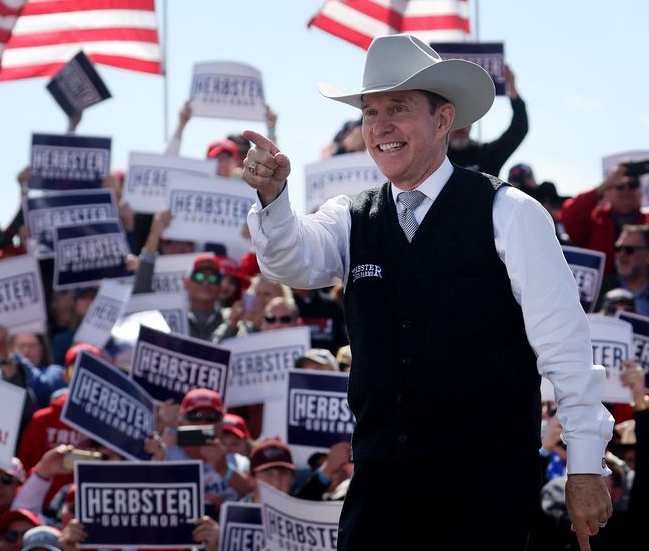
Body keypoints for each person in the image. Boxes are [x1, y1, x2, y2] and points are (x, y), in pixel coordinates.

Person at [239, 34, 612, 550]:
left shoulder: (511, 212)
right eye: (370, 112)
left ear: (443, 120)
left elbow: (565, 347)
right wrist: (273, 196)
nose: (380, 127)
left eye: (398, 108)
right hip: (381, 479)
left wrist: (586, 465)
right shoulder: (351, 216)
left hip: (484, 483)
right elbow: (289, 260)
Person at [560, 161, 649, 279]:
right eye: (619, 186)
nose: (626, 190)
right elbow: (568, 217)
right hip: (601, 289)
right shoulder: (595, 222)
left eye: (633, 185)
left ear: (640, 192)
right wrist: (603, 186)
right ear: (607, 192)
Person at [445, 63, 528, 177]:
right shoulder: (435, 157)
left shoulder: (486, 154)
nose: (461, 127)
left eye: (466, 119)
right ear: (446, 122)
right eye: (457, 120)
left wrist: (512, 90)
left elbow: (519, 129)